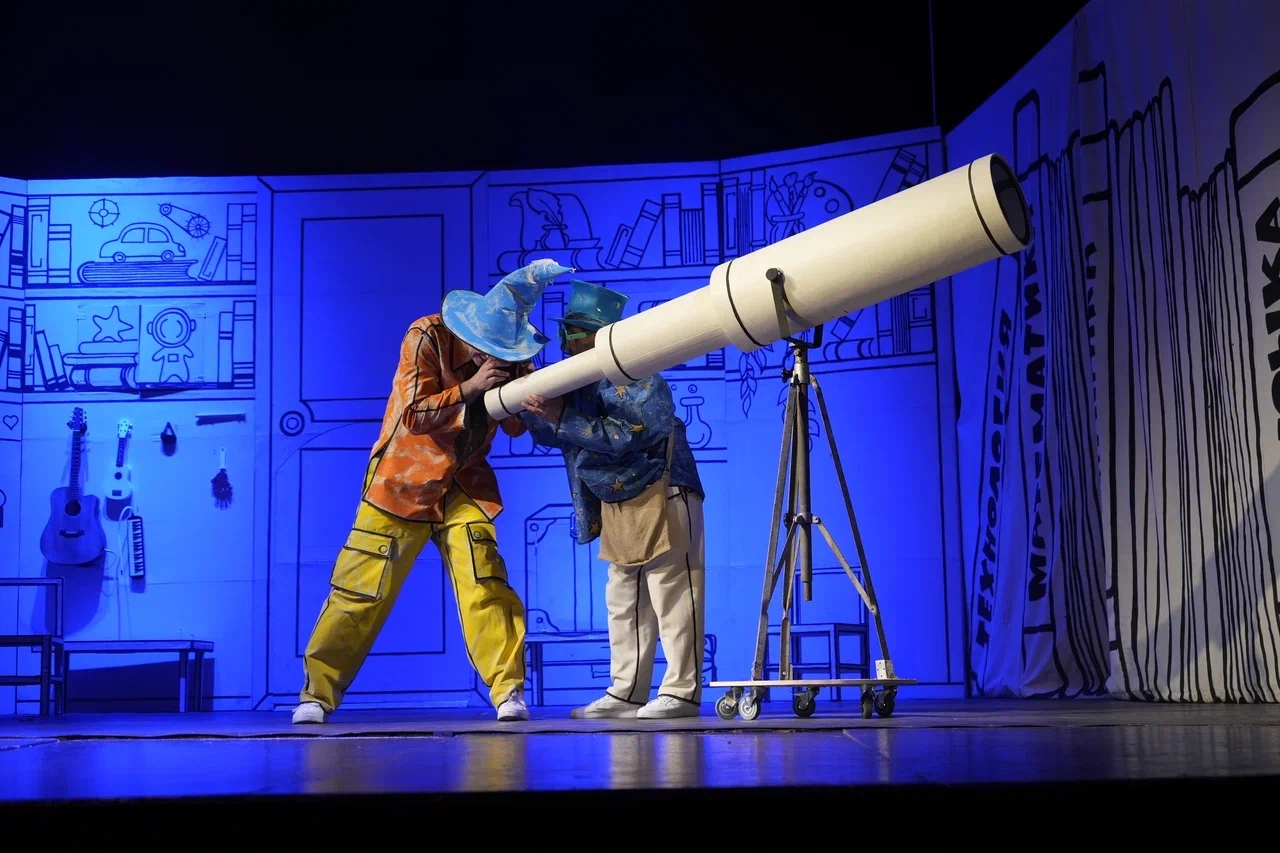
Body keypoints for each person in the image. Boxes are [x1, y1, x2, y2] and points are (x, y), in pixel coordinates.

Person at [293, 259, 572, 725]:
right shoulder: (426, 335)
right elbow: (414, 415)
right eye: (487, 349)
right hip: (403, 481)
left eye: (503, 351)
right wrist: (471, 387)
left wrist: (531, 402)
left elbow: (516, 428)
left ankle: (508, 691)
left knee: (485, 581)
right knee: (361, 589)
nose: (493, 357)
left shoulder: (513, 354)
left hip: (465, 482)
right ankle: (316, 695)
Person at [520, 280, 707, 720]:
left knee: (672, 591)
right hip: (617, 500)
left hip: (663, 488)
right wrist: (531, 399)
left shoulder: (639, 375)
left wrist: (561, 416)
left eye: (576, 331)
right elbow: (553, 432)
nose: (566, 340)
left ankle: (682, 691)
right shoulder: (579, 383)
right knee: (623, 597)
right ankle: (626, 691)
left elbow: (626, 435)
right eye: (566, 330)